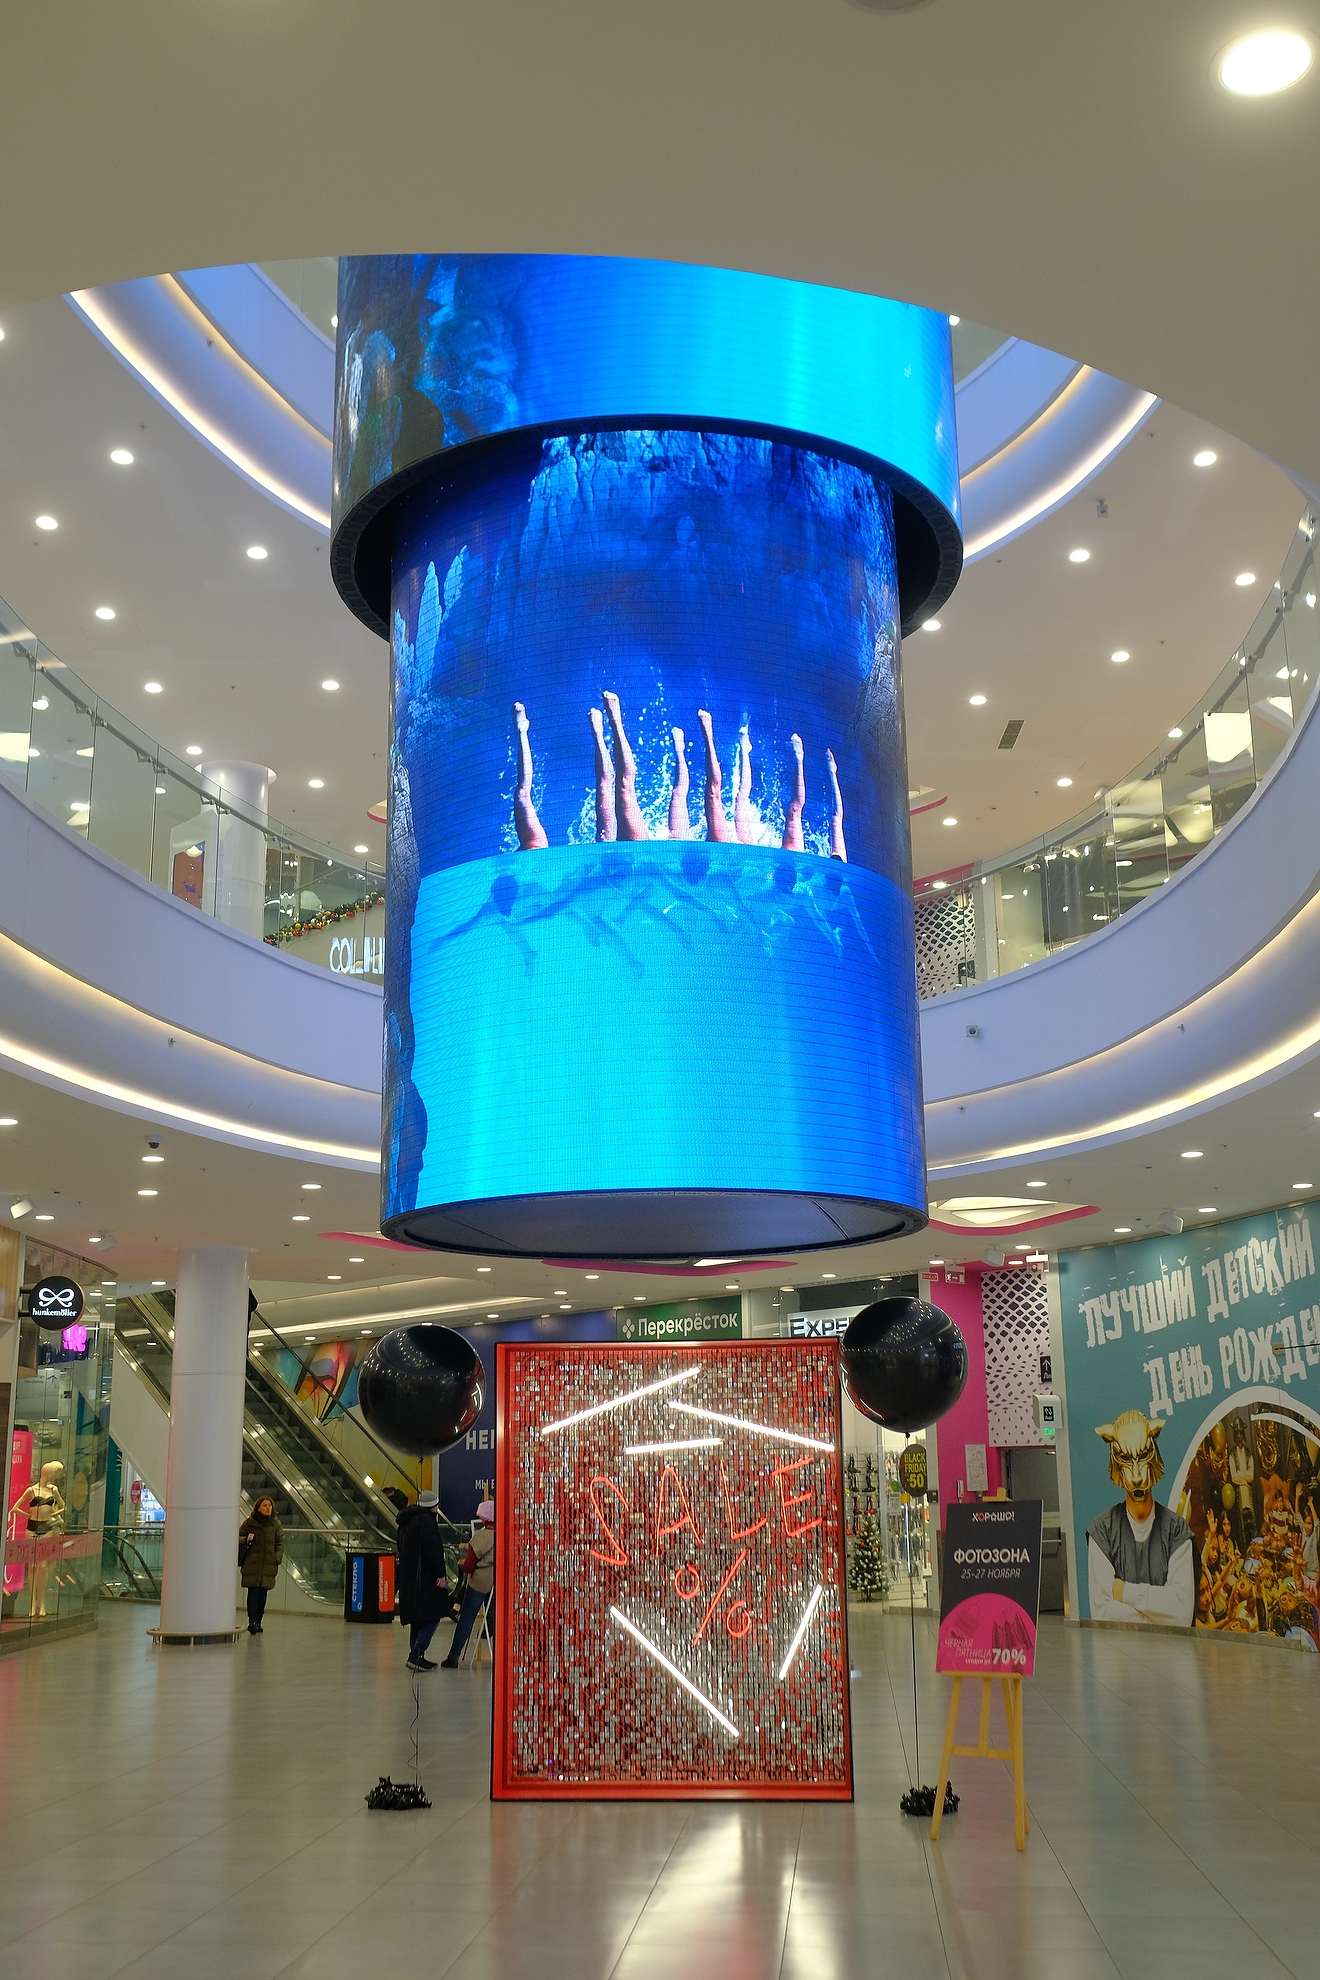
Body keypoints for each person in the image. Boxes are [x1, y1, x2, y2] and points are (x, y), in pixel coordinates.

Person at [1087, 1409, 1194, 1626]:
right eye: (1126, 1459)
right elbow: (1102, 1613)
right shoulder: (1102, 1531)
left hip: (1171, 1648)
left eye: (1143, 1456)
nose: (1136, 1476)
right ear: (1117, 1463)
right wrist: (1159, 1615)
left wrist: (1123, 1591)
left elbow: (1182, 1613)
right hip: (1120, 1648)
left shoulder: (1176, 1529)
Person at [396, 1488, 450, 1672]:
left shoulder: (406, 1520)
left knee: (417, 1618)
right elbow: (433, 1551)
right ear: (434, 1506)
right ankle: (416, 1654)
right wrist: (441, 1574)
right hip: (425, 1578)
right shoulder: (426, 1522)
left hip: (409, 1578)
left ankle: (417, 1656)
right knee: (434, 1615)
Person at [442, 1499, 496, 1667]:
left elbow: (469, 1565)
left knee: (467, 1619)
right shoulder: (503, 1534)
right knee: (495, 1616)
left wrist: (461, 1564)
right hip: (496, 1582)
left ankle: (453, 1657)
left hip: (478, 1583)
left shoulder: (480, 1537)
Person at [239, 1496, 284, 1635]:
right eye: (264, 1505)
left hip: (268, 1564)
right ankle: (252, 1622)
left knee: (263, 1595)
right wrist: (246, 1539)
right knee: (253, 1593)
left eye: (269, 1505)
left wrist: (277, 1558)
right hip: (252, 1563)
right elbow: (238, 1537)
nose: (268, 1508)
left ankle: (258, 1621)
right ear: (258, 1508)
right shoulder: (250, 1523)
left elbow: (280, 1543)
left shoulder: (275, 1524)